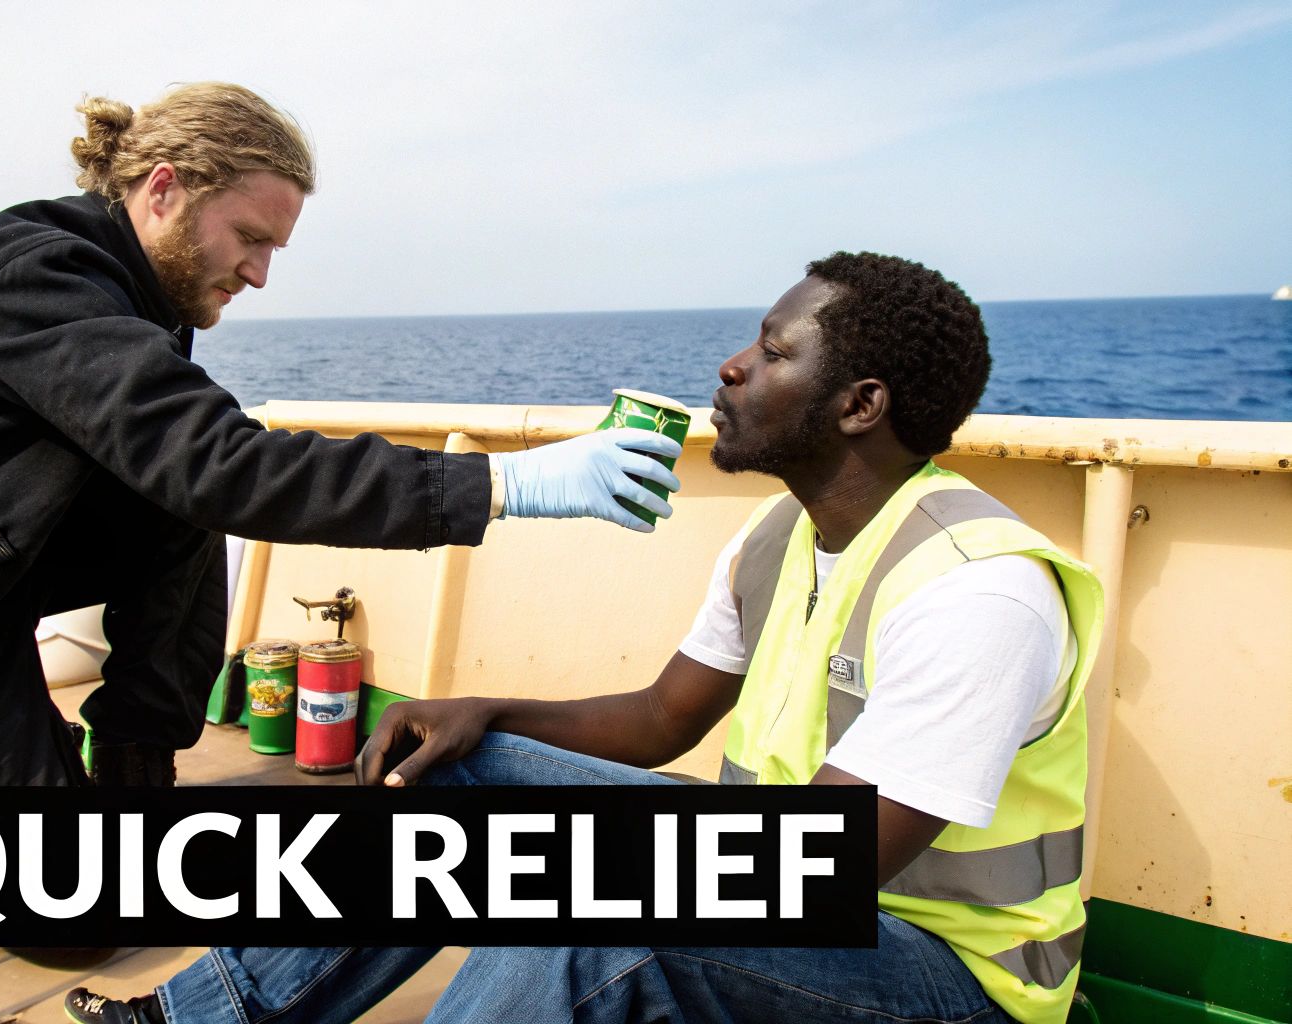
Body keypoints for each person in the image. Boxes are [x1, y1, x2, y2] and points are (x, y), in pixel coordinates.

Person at [0, 82, 683, 934]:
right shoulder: (40, 279)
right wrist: (509, 481)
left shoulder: (127, 291)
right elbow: (223, 463)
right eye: (250, 238)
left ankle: (128, 790)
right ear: (163, 188)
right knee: (61, 908)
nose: (258, 272)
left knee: (170, 498)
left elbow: (186, 472)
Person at [66, 253, 1106, 1024]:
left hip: (941, 982)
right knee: (455, 774)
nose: (731, 366)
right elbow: (662, 718)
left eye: (773, 352)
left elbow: (815, 871)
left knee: (611, 903)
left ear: (858, 404)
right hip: (782, 900)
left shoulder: (977, 593)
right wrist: (485, 713)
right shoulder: (780, 536)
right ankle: (201, 1017)